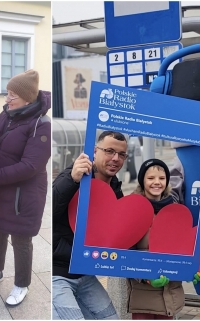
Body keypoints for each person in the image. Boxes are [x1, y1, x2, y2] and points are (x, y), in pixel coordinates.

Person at [0, 69, 51, 306]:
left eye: (12, 95)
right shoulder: (9, 114)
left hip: (24, 193)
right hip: (1, 186)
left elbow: (29, 166)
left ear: (28, 98)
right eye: (7, 93)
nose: (7, 99)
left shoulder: (41, 124)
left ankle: (21, 284)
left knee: (21, 238)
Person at [52, 130, 127, 320]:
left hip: (86, 275)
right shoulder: (74, 175)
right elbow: (48, 210)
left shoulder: (115, 189)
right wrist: (72, 180)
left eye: (121, 154)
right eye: (109, 151)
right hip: (58, 272)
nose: (115, 158)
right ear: (95, 151)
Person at [127, 159, 200, 320]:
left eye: (161, 178)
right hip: (144, 296)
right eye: (151, 178)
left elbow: (184, 247)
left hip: (171, 294)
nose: (157, 182)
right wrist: (147, 278)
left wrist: (192, 268)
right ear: (142, 181)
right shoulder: (134, 210)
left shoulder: (176, 209)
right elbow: (127, 254)